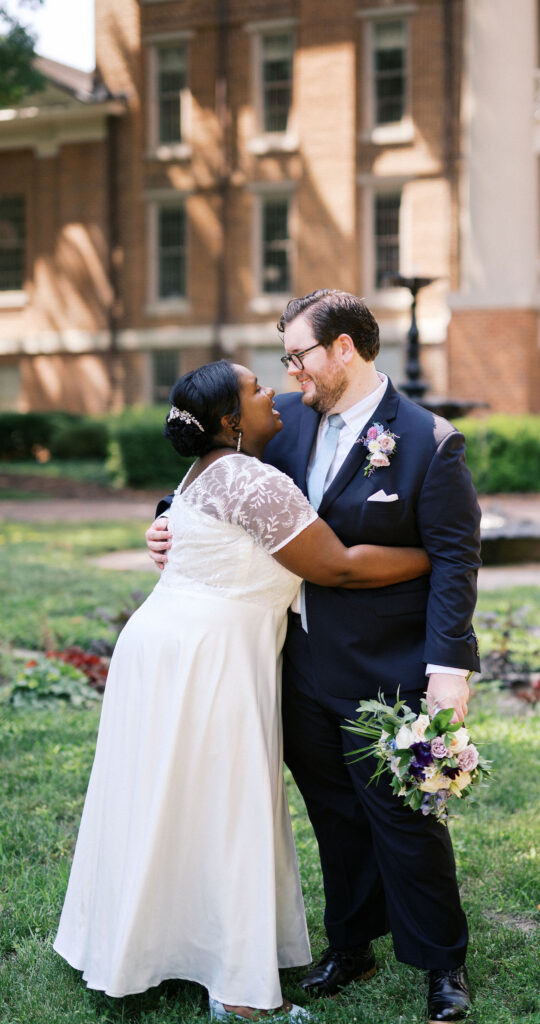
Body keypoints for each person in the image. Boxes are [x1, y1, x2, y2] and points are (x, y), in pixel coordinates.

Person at [53, 358, 433, 1023]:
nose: (272, 395)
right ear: (231, 421)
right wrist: (437, 551)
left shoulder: (206, 469)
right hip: (209, 656)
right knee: (226, 808)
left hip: (169, 646)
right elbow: (338, 568)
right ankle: (237, 993)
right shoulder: (250, 478)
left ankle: (146, 946)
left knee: (173, 804)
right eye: (258, 390)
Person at [148, 290, 481, 1023]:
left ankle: (441, 965)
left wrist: (447, 668)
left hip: (384, 663)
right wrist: (165, 524)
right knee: (330, 811)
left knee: (405, 815)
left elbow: (455, 559)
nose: (289, 369)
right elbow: (215, 475)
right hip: (293, 661)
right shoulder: (284, 422)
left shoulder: (428, 439)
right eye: (285, 357)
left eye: (298, 354)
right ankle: (351, 943)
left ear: (343, 350)